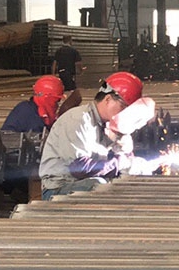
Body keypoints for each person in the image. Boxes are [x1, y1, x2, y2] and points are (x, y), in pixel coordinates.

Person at [38, 71, 146, 200]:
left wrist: (124, 152)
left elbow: (107, 163)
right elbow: (80, 168)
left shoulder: (104, 125)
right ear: (108, 99)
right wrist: (119, 163)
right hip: (58, 189)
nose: (125, 113)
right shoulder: (78, 119)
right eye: (123, 107)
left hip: (82, 183)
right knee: (100, 185)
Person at [1, 74, 65, 134]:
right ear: (47, 98)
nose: (57, 104)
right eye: (57, 100)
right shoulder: (28, 114)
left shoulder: (35, 111)